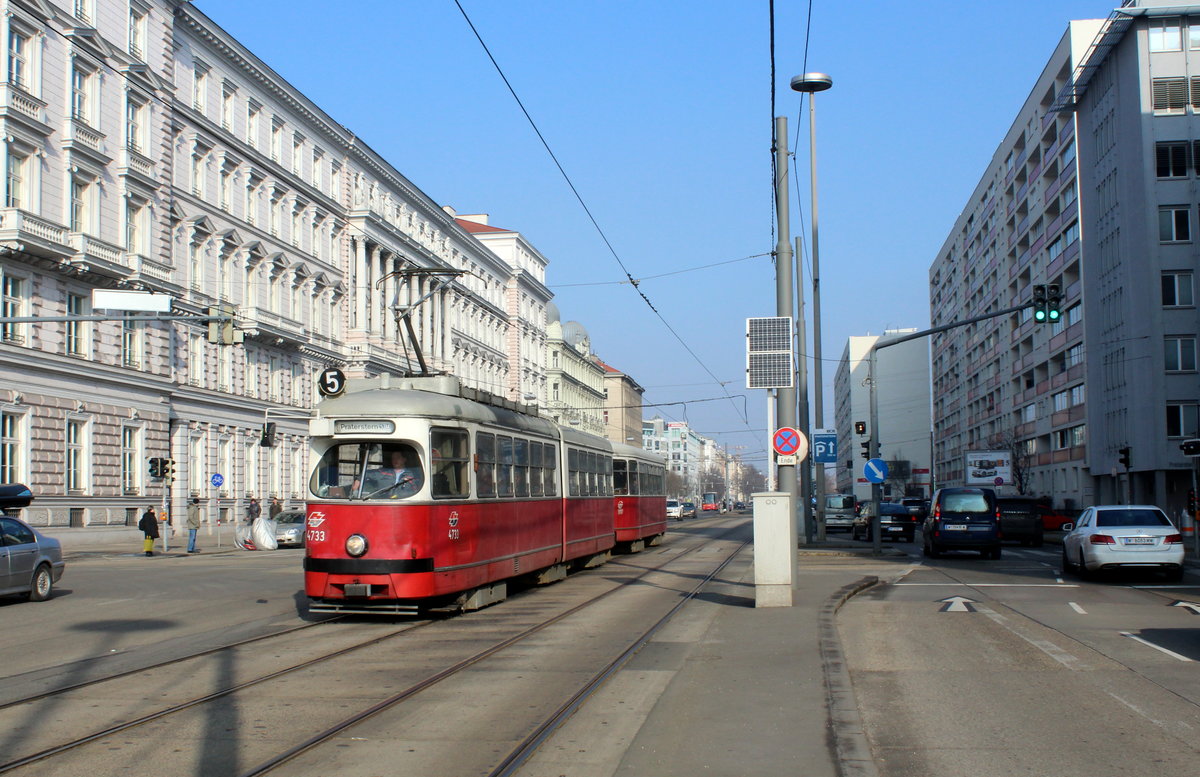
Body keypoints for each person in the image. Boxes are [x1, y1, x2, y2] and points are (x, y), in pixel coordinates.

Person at [359, 448, 424, 498]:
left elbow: (417, 491)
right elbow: (367, 473)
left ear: (404, 459)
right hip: (383, 503)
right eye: (393, 458)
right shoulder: (383, 472)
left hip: (403, 504)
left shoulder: (412, 475)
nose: (395, 460)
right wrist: (358, 479)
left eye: (398, 458)